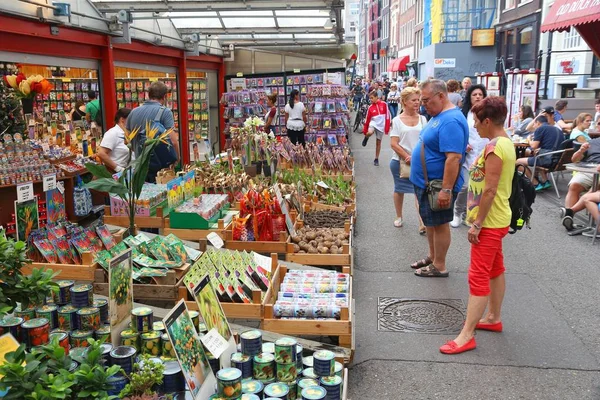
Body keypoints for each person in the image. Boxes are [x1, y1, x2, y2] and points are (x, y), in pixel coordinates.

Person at [439, 96, 516, 355]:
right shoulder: (505, 143)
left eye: (476, 121)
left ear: (487, 121)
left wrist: (478, 224)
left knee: (478, 275)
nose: (475, 126)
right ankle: (493, 317)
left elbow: (491, 189)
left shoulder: (495, 147)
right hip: (497, 218)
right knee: (495, 268)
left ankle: (466, 335)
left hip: (491, 221)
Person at [409, 79, 469, 278]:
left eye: (426, 100)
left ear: (441, 96)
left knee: (440, 224)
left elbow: (453, 158)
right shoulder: (439, 115)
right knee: (431, 223)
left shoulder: (450, 120)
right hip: (427, 183)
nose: (423, 104)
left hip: (436, 186)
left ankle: (439, 265)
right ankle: (433, 256)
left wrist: (446, 189)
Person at [389, 87, 427, 233]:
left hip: (419, 162)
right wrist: (406, 156)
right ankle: (399, 216)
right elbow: (393, 143)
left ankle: (422, 221)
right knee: (399, 190)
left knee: (420, 191)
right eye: (414, 100)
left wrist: (417, 157)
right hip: (399, 161)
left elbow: (426, 140)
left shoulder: (423, 119)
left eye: (418, 100)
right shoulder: (397, 120)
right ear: (405, 102)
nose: (417, 103)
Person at [451, 84, 489, 228]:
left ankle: (470, 214)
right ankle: (457, 213)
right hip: (468, 155)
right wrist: (463, 144)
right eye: (474, 95)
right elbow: (458, 132)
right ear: (469, 97)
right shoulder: (463, 113)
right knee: (465, 186)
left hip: (485, 154)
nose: (478, 97)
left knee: (479, 188)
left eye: (480, 94)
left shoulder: (489, 112)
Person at [126, 81, 179, 183]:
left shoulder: (133, 112)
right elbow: (173, 141)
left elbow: (128, 140)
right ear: (164, 96)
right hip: (161, 170)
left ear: (148, 95)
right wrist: (176, 159)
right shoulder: (165, 112)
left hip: (140, 167)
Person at [516, 114, 563, 190]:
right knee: (535, 154)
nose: (534, 126)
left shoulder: (540, 129)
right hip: (558, 159)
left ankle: (535, 183)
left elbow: (533, 146)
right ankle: (545, 181)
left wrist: (529, 139)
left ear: (538, 122)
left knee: (518, 161)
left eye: (534, 124)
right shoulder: (557, 129)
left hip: (548, 159)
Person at [561, 138, 600, 219]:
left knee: (594, 188)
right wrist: (580, 151)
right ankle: (569, 218)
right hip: (588, 170)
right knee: (574, 186)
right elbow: (574, 160)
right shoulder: (592, 142)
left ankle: (569, 213)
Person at [98, 108, 132, 173]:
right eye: (130, 119)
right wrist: (118, 168)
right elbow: (101, 153)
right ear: (122, 119)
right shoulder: (113, 133)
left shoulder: (127, 133)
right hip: (113, 172)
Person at [362, 90, 391, 166]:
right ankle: (366, 137)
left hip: (381, 125)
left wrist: (387, 128)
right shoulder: (370, 107)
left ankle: (376, 158)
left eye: (372, 98)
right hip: (373, 123)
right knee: (370, 132)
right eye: (369, 98)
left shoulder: (384, 104)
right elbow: (367, 119)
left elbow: (388, 116)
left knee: (378, 143)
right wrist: (365, 130)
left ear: (376, 97)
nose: (370, 100)